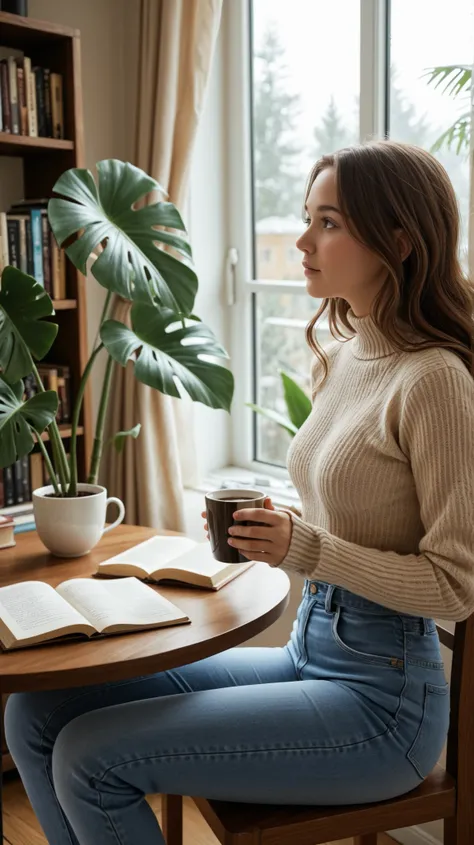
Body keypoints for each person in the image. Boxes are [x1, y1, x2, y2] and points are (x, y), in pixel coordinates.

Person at [5, 139, 474, 845]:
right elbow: (357, 510)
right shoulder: (347, 354)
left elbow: (457, 586)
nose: (303, 240)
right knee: (33, 716)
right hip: (310, 652)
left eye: (329, 223)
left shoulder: (434, 380)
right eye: (307, 217)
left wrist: (305, 546)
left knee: (90, 757)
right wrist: (279, 526)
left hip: (385, 703)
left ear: (399, 241)